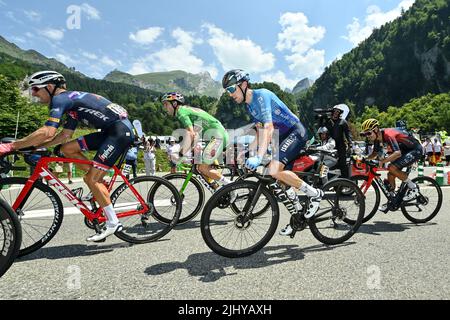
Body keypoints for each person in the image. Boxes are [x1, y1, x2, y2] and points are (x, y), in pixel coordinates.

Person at [0, 70, 134, 241]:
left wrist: (11, 146)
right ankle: (98, 180)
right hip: (111, 130)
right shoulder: (72, 104)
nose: (33, 94)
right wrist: (37, 147)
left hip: (120, 132)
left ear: (49, 87)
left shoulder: (60, 99)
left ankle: (113, 222)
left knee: (91, 180)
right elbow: (64, 135)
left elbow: (48, 131)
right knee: (67, 148)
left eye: (35, 89)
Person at [222, 69, 324, 236]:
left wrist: (259, 156)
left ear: (244, 85)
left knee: (274, 170)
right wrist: (247, 152)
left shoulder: (261, 96)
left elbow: (269, 127)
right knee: (279, 181)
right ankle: (298, 215)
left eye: (232, 89)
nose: (230, 94)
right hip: (281, 137)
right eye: (227, 91)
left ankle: (315, 194)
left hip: (295, 132)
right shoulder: (249, 106)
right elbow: (260, 130)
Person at [162, 92, 233, 190]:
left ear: (174, 104)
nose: (165, 107)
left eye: (166, 104)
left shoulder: (181, 112)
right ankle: (218, 190)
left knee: (202, 167)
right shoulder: (189, 111)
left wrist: (180, 155)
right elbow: (195, 136)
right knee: (200, 169)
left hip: (217, 137)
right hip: (217, 136)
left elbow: (190, 134)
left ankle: (230, 187)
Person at [360, 119, 422, 212]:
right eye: (365, 134)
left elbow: (397, 153)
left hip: (415, 149)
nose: (367, 136)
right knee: (390, 175)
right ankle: (393, 200)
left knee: (391, 167)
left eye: (368, 133)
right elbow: (375, 153)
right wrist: (364, 159)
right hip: (405, 151)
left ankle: (413, 187)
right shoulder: (377, 138)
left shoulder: (388, 134)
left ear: (376, 129)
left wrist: (383, 161)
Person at [324, 104, 353, 178]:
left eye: (338, 112)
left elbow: (348, 133)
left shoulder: (343, 122)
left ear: (340, 113)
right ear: (332, 112)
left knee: (342, 164)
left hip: (341, 145)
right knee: (330, 163)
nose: (336, 113)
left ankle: (346, 182)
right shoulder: (328, 121)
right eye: (335, 111)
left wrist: (350, 144)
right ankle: (332, 180)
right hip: (330, 145)